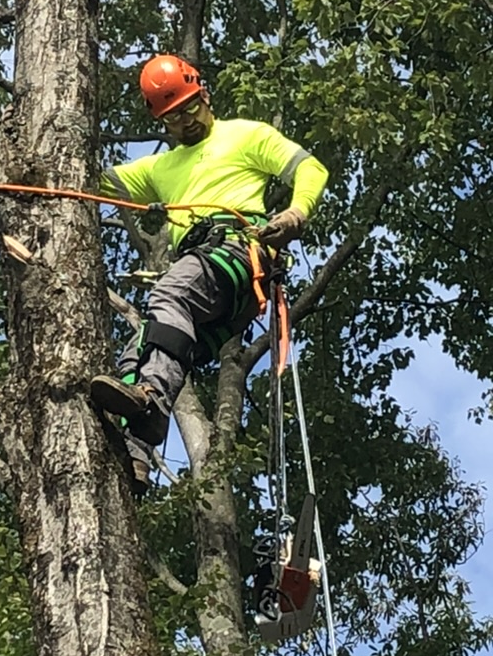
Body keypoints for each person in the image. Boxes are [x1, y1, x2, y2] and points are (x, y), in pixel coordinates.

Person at [91, 54, 328, 489]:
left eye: (189, 108)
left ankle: (151, 404)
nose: (185, 121)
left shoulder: (245, 135)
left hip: (236, 253)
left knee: (169, 296)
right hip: (214, 287)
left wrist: (296, 213)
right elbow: (90, 181)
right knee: (147, 340)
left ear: (204, 94)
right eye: (173, 118)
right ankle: (137, 454)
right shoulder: (159, 169)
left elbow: (309, 167)